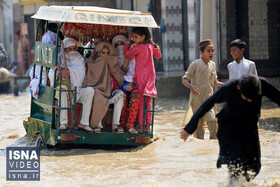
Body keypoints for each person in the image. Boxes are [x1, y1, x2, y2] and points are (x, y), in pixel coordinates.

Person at [181, 75, 280, 182]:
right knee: (236, 167)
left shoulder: (262, 84)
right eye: (246, 98)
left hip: (249, 128)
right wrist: (189, 129)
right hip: (228, 130)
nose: (249, 101)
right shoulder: (229, 88)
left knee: (254, 167)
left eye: (252, 98)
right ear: (238, 88)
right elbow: (206, 105)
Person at [48, 37, 95, 132]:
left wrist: (69, 72)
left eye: (74, 49)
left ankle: (84, 123)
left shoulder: (79, 58)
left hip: (77, 90)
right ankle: (64, 123)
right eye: (69, 49)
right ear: (65, 50)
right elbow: (51, 73)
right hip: (64, 90)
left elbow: (81, 72)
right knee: (63, 89)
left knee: (90, 91)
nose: (72, 51)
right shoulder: (59, 58)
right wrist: (59, 74)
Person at [182, 39, 223, 139]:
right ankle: (200, 148)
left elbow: (214, 82)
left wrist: (228, 85)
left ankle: (212, 145)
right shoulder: (195, 64)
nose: (211, 53)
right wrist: (191, 87)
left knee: (213, 122)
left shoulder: (212, 65)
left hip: (209, 99)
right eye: (208, 51)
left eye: (212, 50)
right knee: (199, 127)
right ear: (201, 52)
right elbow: (184, 79)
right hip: (197, 100)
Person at [123, 27, 162, 133]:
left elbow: (127, 54)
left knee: (141, 101)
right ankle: (148, 127)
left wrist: (128, 42)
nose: (134, 39)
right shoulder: (150, 46)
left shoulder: (138, 48)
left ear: (143, 37)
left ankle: (140, 125)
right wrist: (153, 43)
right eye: (133, 37)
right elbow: (158, 55)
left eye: (135, 37)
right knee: (148, 101)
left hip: (141, 77)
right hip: (151, 77)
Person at [83, 42, 125, 133]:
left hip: (111, 92)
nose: (105, 56)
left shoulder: (113, 65)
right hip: (98, 91)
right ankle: (98, 125)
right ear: (98, 53)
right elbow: (89, 81)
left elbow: (121, 80)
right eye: (103, 53)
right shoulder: (93, 64)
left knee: (120, 94)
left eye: (107, 53)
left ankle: (115, 125)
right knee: (98, 95)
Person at [112, 35, 139, 134]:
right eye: (117, 45)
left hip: (134, 82)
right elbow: (121, 73)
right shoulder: (114, 59)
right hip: (122, 84)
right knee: (121, 97)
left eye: (122, 44)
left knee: (136, 97)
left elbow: (138, 71)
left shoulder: (135, 55)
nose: (120, 46)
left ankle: (130, 125)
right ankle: (121, 123)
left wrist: (131, 84)